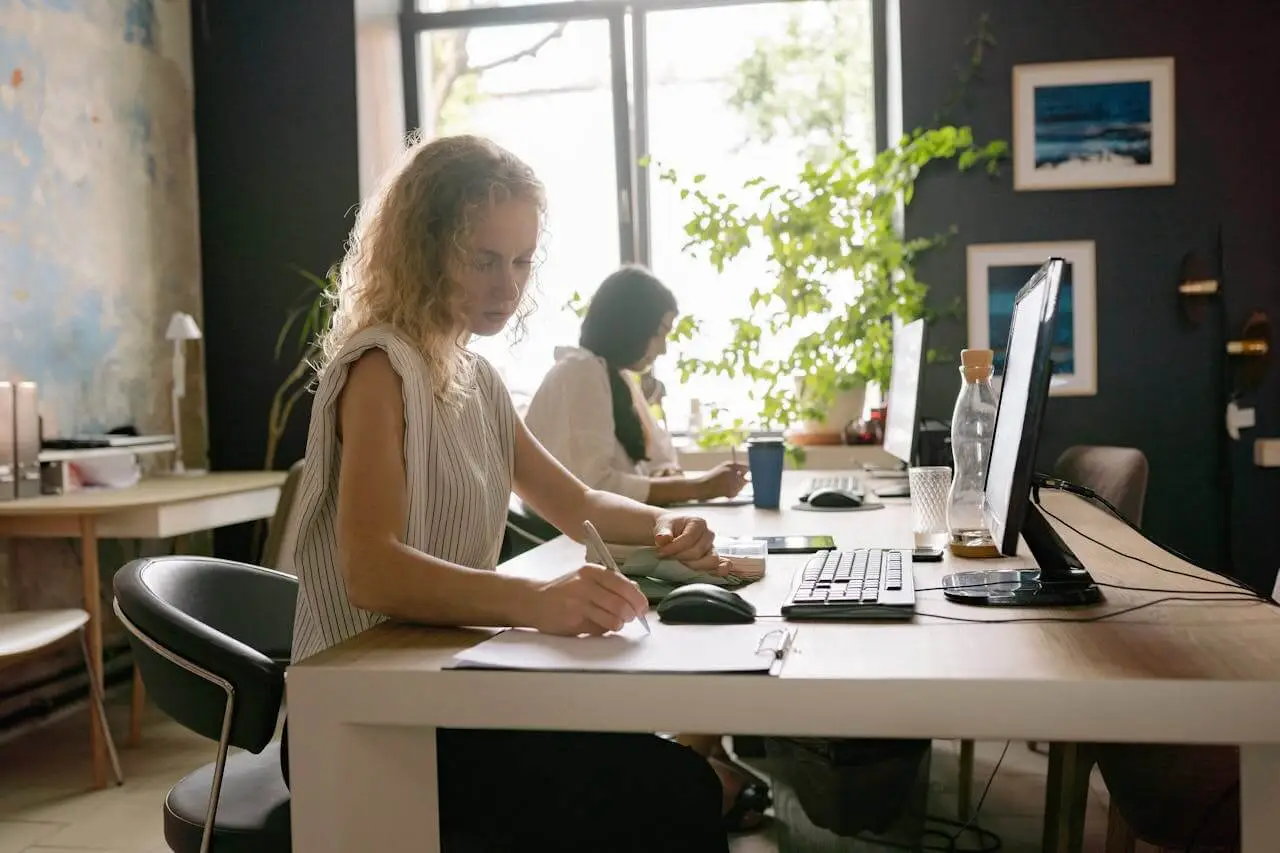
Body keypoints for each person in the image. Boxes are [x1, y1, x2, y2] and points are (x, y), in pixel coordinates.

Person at [279, 133, 764, 851]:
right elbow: (370, 569)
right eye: (483, 260)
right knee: (675, 790)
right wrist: (533, 601)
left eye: (521, 260)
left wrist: (669, 527)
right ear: (422, 250)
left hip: (441, 685)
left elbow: (581, 504)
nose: (508, 286)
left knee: (667, 777)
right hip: (366, 713)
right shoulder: (380, 368)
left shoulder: (477, 379)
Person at [525, 265, 748, 505]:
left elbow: (660, 460)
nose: (662, 349)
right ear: (632, 326)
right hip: (570, 538)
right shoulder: (581, 372)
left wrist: (667, 476)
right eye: (659, 333)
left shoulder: (615, 377)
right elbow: (595, 488)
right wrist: (696, 488)